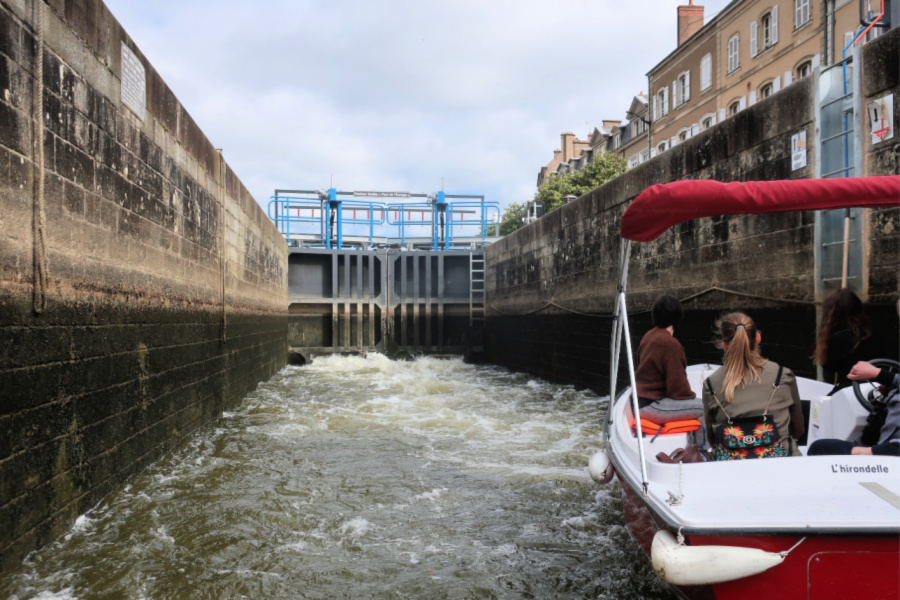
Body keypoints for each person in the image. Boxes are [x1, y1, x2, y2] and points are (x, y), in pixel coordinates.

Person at [702, 312, 805, 458]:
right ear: (757, 338)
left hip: (731, 468)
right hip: (782, 464)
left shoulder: (711, 384)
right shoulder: (782, 375)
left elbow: (712, 439)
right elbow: (798, 430)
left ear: (724, 345)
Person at [807, 361, 900, 457]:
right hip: (884, 449)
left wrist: (871, 452)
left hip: (887, 455)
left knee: (818, 448)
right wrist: (885, 377)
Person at [634, 294, 702, 424]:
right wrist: (692, 397)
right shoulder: (670, 343)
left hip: (640, 402)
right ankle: (698, 445)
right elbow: (678, 391)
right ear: (678, 318)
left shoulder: (648, 336)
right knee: (708, 408)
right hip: (653, 406)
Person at [813, 289, 884, 395]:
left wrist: (827, 337)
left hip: (851, 392)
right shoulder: (876, 329)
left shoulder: (839, 338)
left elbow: (829, 367)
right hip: (876, 389)